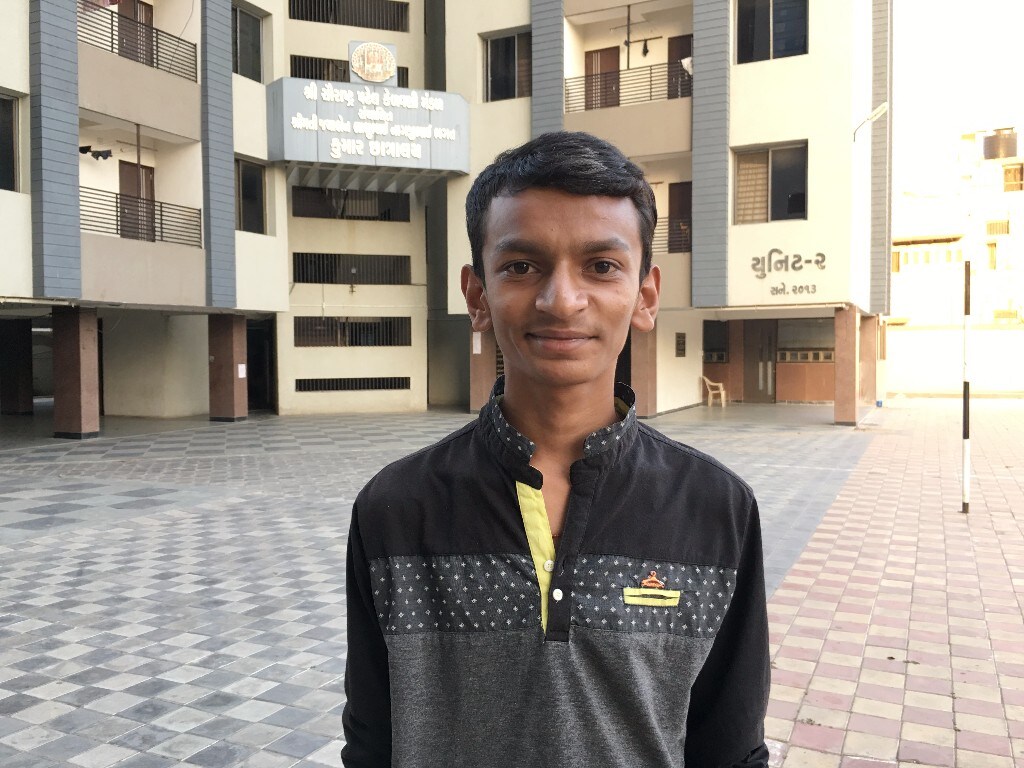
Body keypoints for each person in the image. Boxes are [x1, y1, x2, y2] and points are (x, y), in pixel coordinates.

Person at [342, 131, 770, 767]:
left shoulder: (715, 507)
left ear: (646, 296)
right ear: (477, 295)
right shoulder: (398, 506)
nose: (561, 300)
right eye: (522, 266)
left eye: (602, 266)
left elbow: (731, 751)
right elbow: (373, 743)